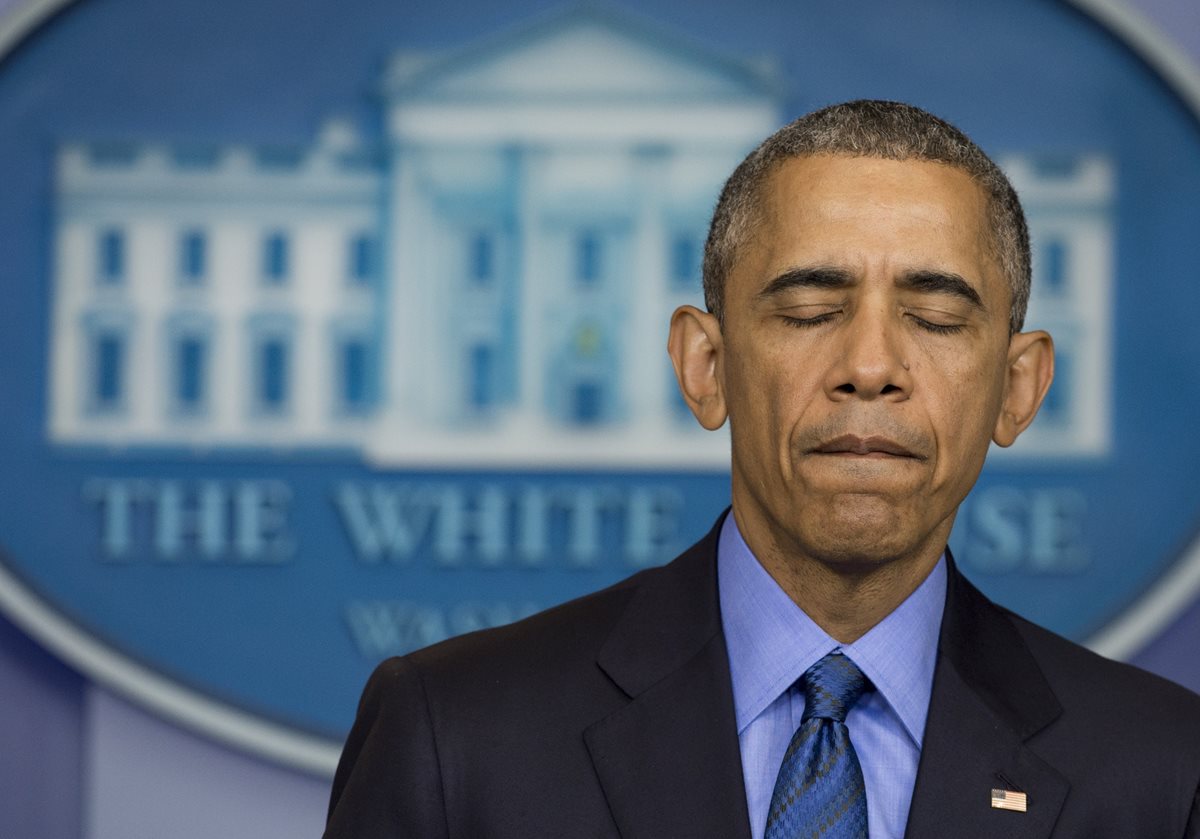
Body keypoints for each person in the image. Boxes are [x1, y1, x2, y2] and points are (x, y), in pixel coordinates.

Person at [324, 100, 1200, 838]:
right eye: (811, 309)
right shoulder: (455, 739)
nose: (870, 365)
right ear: (705, 367)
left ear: (1019, 387)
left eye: (935, 318)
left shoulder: (1164, 772)